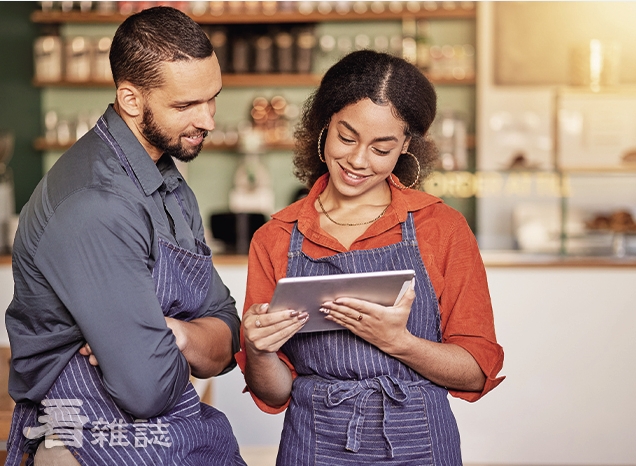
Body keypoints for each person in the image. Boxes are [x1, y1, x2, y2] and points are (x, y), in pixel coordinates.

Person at [235, 50, 505, 465]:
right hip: (313, 445)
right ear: (323, 126)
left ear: (406, 147)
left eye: (382, 148)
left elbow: (474, 369)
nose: (358, 161)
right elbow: (276, 391)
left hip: (419, 443)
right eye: (347, 137)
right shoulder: (275, 237)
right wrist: (258, 350)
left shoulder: (440, 227)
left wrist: (400, 343)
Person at [5, 7, 246, 466]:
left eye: (212, 97)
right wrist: (191, 341)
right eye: (186, 106)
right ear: (131, 99)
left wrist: (171, 336)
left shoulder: (170, 186)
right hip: (86, 437)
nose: (209, 120)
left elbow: (227, 333)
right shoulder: (96, 203)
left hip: (171, 431)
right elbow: (145, 388)